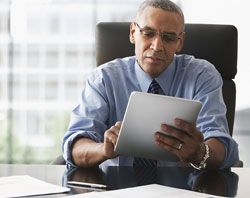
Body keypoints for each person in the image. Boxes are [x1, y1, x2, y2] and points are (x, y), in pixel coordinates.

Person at [63, 0, 239, 169]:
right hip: (116, 186)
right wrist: (103, 150)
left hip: (183, 188)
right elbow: (75, 147)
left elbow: (221, 145)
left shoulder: (202, 76)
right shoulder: (103, 78)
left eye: (169, 37)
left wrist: (199, 152)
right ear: (133, 32)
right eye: (148, 33)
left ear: (180, 42)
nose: (156, 46)